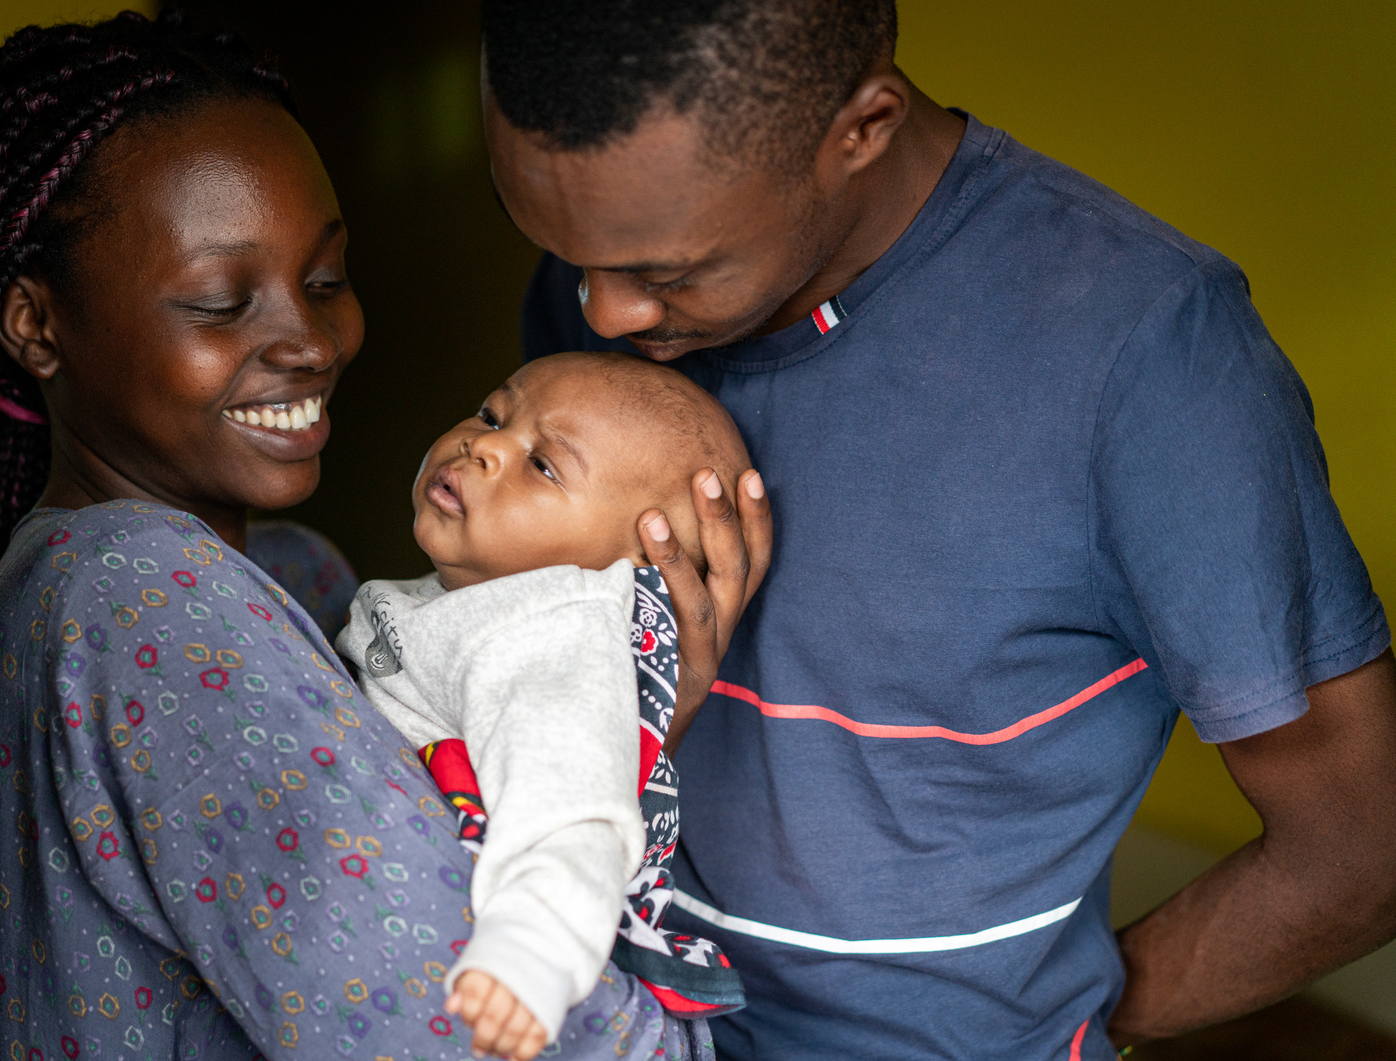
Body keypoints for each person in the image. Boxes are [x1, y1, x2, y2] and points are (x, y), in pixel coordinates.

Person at [0, 13, 770, 1061]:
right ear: (35, 324)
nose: (310, 339)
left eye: (325, 279)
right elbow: (452, 1033)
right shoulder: (151, 599)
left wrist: (599, 731)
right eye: (222, 300)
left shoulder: (166, 581)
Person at [481, 1, 1396, 1059]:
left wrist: (1063, 1017)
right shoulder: (611, 268)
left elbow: (1361, 843)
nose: (599, 315)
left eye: (669, 270)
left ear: (861, 127)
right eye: (562, 251)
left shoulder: (1146, 358)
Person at [336, 353, 753, 1055]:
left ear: (626, 568)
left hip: (518, 971)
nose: (485, 445)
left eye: (544, 465)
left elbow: (572, 808)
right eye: (493, 414)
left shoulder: (553, 630)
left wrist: (529, 952)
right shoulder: (479, 602)